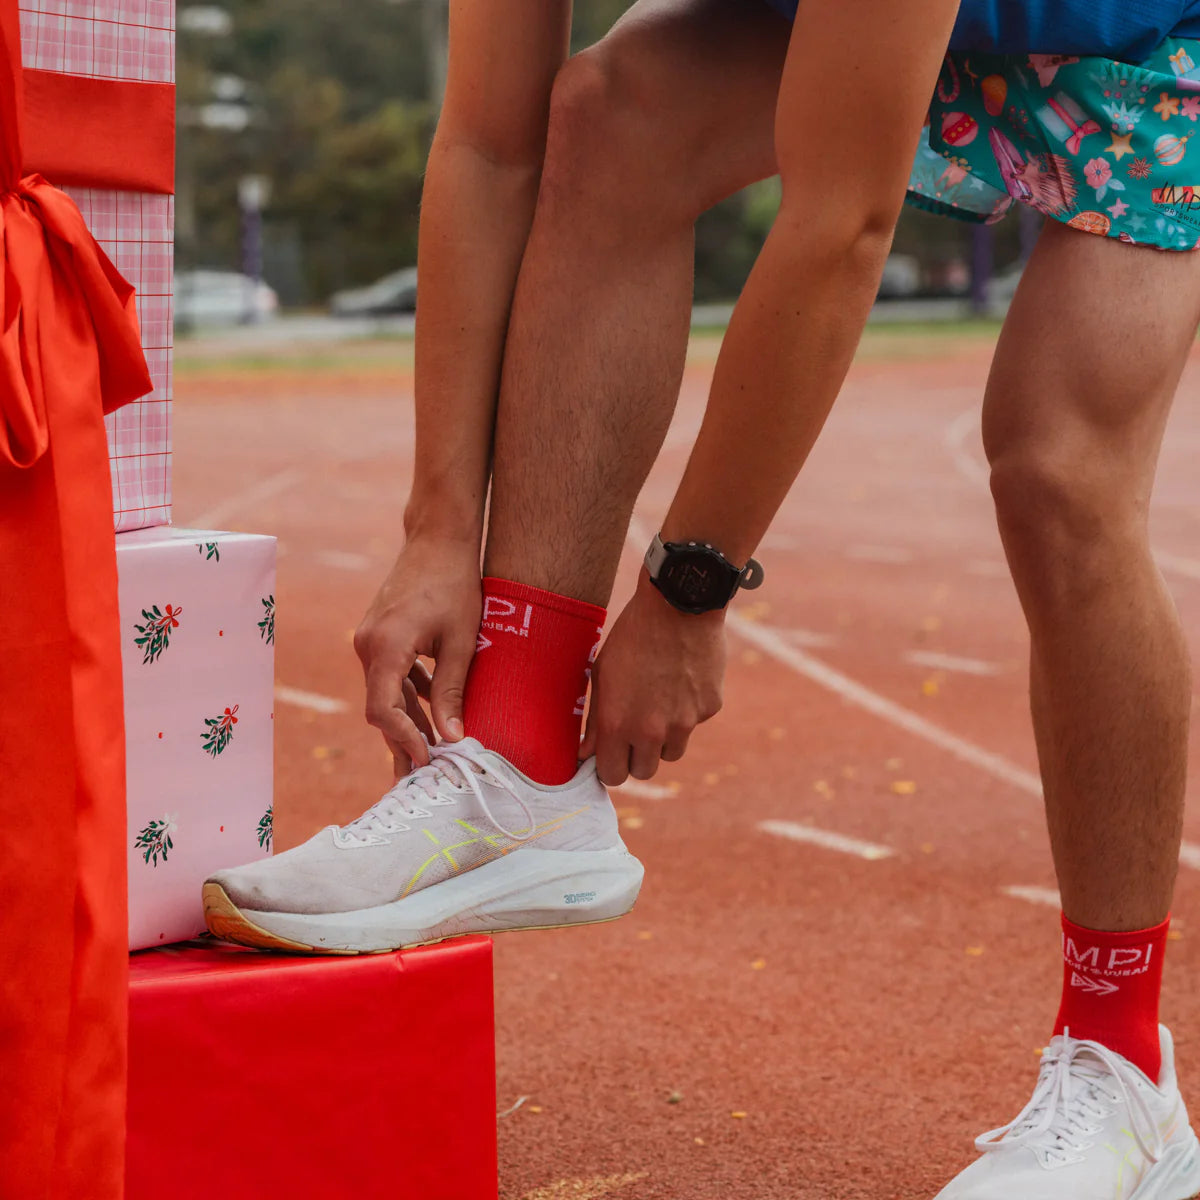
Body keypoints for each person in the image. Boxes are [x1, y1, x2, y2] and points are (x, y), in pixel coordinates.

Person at [206, 0, 1200, 1194]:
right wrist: (434, 531)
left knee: (1056, 467)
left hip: (1152, 42)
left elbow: (843, 222)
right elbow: (486, 143)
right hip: (903, 36)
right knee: (611, 109)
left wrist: (690, 589)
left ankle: (1121, 1067)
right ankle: (519, 767)